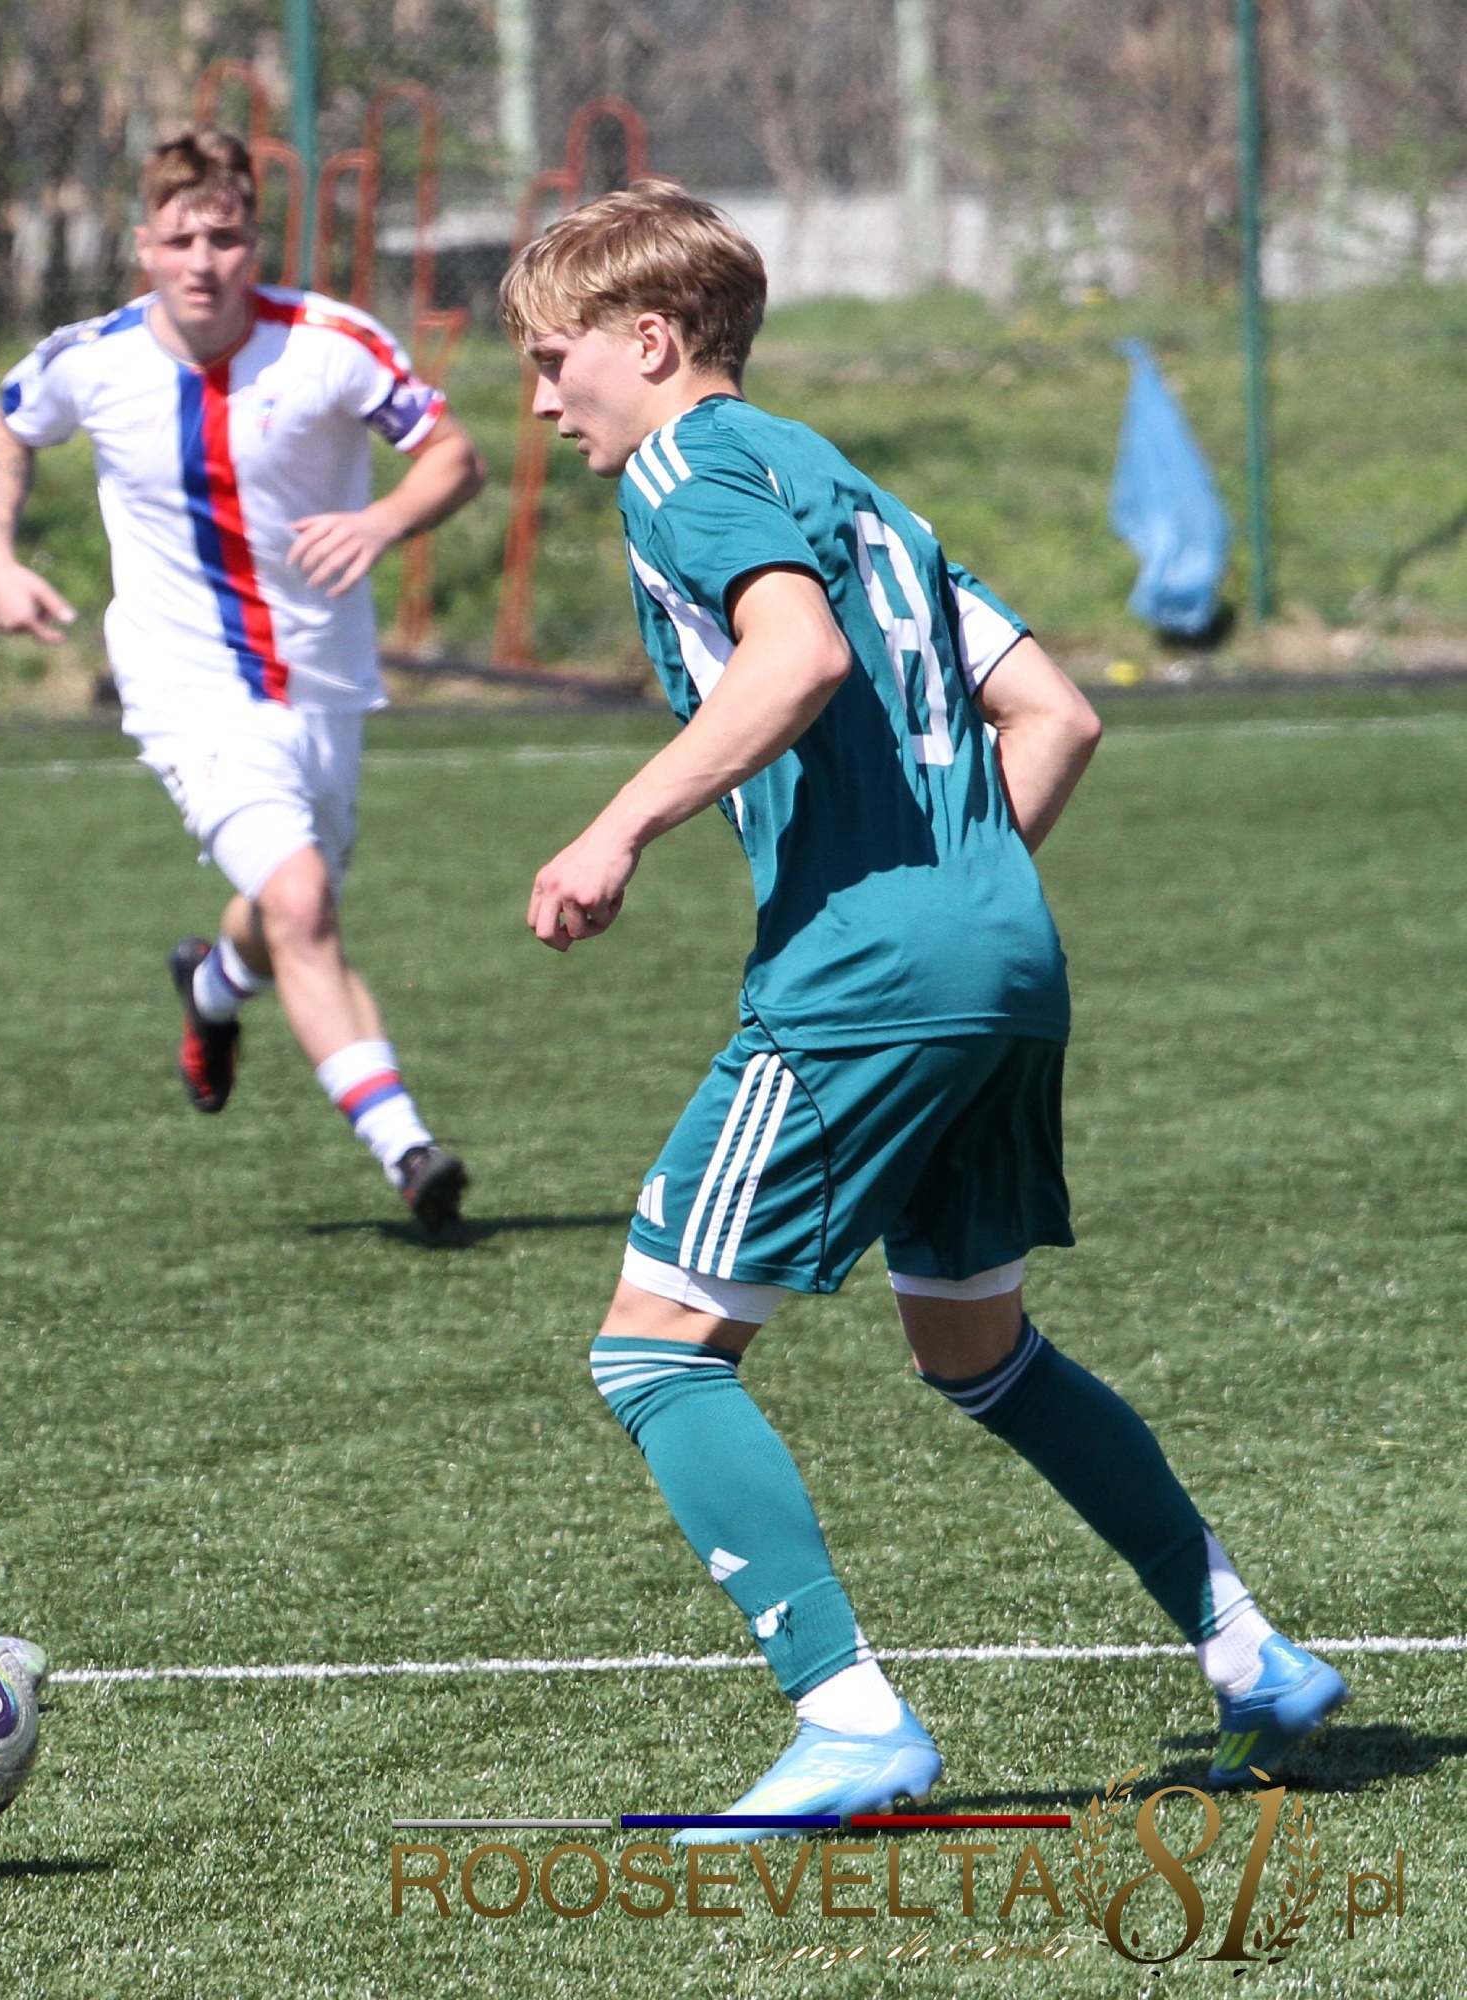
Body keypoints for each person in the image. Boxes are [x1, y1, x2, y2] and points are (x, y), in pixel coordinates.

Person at [501, 184, 1345, 1833]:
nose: (541, 400)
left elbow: (794, 659)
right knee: (978, 1349)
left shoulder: (685, 468)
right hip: (1002, 959)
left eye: (552, 359)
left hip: (869, 980)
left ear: (649, 342)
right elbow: (1060, 714)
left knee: (655, 1350)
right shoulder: (843, 480)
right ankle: (1248, 1650)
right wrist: (962, 891)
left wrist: (619, 826)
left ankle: (849, 1719)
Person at [0, 128, 489, 1229]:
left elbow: (453, 453)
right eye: (180, 237)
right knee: (303, 902)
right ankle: (408, 1149)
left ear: (257, 241)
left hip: (324, 684)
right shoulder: (92, 358)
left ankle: (212, 986)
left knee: (292, 909)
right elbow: (9, 427)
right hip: (184, 687)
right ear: (142, 248)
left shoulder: (331, 342)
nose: (204, 258)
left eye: (227, 235)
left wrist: (385, 517)